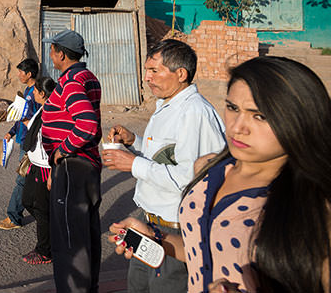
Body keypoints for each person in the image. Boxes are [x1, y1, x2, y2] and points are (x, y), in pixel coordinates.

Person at [110, 56, 331, 293]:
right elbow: (205, 249)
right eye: (233, 108)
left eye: (259, 116)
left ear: (300, 119)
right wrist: (157, 237)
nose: (237, 127)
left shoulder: (314, 202)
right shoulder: (211, 168)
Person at [102, 39, 226, 293]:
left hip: (175, 229)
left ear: (180, 74)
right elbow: (165, 157)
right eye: (147, 70)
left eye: (154, 70)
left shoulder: (195, 113)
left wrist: (133, 164)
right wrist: (133, 142)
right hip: (148, 223)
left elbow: (192, 178)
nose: (147, 77)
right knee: (138, 287)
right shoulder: (168, 106)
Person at [40, 29, 102, 293]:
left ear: (61, 54)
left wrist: (61, 151)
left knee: (69, 241)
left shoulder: (71, 81)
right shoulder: (87, 76)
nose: (50, 54)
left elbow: (87, 124)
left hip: (73, 166)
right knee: (84, 235)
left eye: (52, 50)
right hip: (82, 166)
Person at [0, 58, 40, 231]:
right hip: (23, 140)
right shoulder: (28, 90)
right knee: (32, 180)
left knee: (22, 180)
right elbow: (21, 116)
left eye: (21, 72)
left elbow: (35, 118)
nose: (18, 74)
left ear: (29, 74)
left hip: (31, 143)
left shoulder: (36, 92)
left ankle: (14, 217)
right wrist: (11, 132)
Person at [20, 76, 57, 265]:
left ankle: (45, 251)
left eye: (35, 91)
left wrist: (53, 172)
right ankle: (53, 230)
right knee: (27, 201)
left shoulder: (53, 113)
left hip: (45, 168)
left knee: (42, 210)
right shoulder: (43, 108)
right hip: (35, 166)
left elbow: (55, 144)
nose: (33, 93)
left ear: (42, 94)